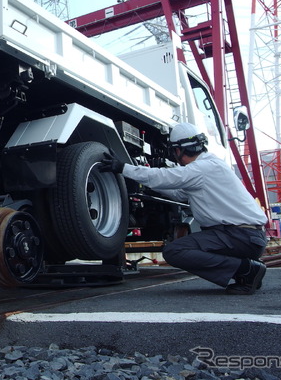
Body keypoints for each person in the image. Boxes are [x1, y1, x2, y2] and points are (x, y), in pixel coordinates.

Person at [101, 122, 268, 295]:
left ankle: (246, 270)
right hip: (245, 236)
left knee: (175, 251)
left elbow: (164, 177)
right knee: (180, 248)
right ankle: (245, 275)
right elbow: (180, 194)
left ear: (178, 150)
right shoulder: (211, 165)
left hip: (239, 236)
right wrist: (146, 180)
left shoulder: (201, 169)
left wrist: (123, 168)